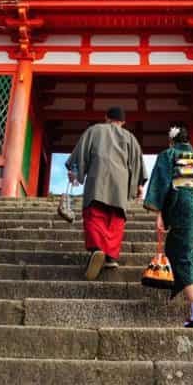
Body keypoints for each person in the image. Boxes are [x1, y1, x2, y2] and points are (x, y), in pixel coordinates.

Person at [144, 125, 193, 328]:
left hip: (184, 202)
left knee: (182, 253)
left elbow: (161, 182)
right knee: (180, 247)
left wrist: (158, 212)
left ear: (172, 141)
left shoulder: (169, 154)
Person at [66, 106, 146, 280]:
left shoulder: (94, 130)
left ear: (106, 117)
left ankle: (97, 249)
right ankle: (110, 256)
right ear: (123, 122)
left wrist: (75, 172)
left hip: (98, 179)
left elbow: (81, 153)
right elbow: (137, 163)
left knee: (95, 214)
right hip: (120, 183)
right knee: (115, 218)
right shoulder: (130, 138)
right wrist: (138, 185)